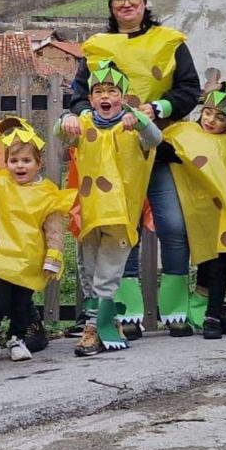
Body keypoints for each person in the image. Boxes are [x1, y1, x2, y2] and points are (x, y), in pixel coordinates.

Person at [62, 0, 201, 338]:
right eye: (118, 0)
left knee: (173, 225)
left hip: (159, 145)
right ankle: (125, 312)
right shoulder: (97, 47)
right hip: (113, 156)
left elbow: (188, 89)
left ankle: (176, 310)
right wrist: (88, 118)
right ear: (111, 7)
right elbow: (77, 96)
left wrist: (157, 108)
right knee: (124, 228)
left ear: (143, 3)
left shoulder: (169, 42)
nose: (126, 4)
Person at [57, 61, 163, 357]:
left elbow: (156, 138)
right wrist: (66, 118)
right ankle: (108, 323)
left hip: (119, 215)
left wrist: (140, 121)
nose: (106, 96)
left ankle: (93, 328)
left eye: (112, 91)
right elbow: (62, 134)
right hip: (89, 213)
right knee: (88, 271)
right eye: (99, 91)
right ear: (91, 99)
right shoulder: (86, 123)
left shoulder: (132, 126)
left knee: (107, 273)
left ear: (123, 96)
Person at [0, 116, 72, 360]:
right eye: (13, 160)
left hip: (28, 256)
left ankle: (17, 338)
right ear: (5, 162)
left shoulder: (47, 192)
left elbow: (55, 227)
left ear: (39, 163)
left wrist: (54, 255)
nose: (20, 166)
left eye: (26, 161)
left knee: (21, 301)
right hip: (2, 254)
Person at [163, 83, 226, 340]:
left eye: (220, 117)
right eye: (207, 113)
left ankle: (212, 316)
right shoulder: (185, 133)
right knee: (204, 264)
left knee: (219, 265)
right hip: (193, 212)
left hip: (224, 215)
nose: (211, 120)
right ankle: (203, 313)